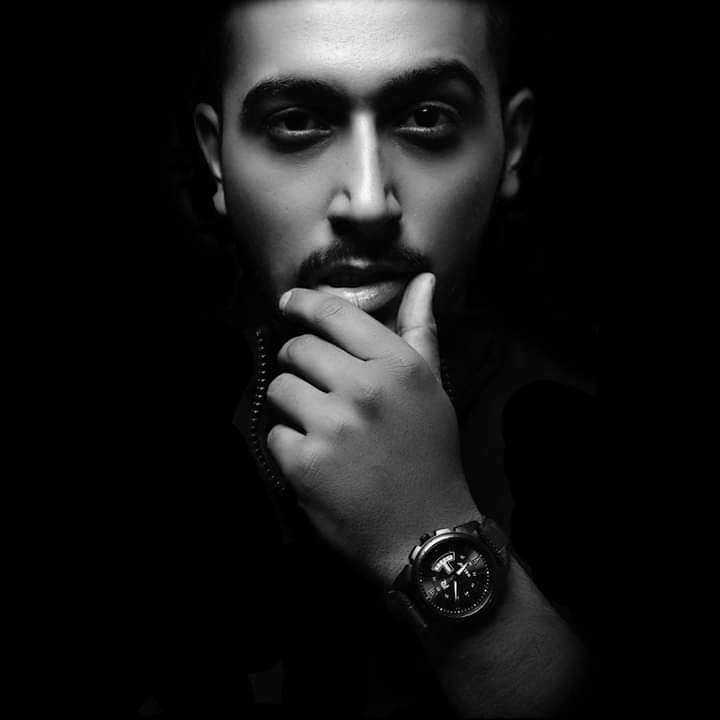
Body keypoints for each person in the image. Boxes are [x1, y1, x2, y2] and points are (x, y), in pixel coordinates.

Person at [121, 1, 602, 716]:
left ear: (514, 143)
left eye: (427, 117)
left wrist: (425, 527)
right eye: (297, 122)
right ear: (216, 160)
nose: (369, 201)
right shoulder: (139, 441)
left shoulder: (594, 448)